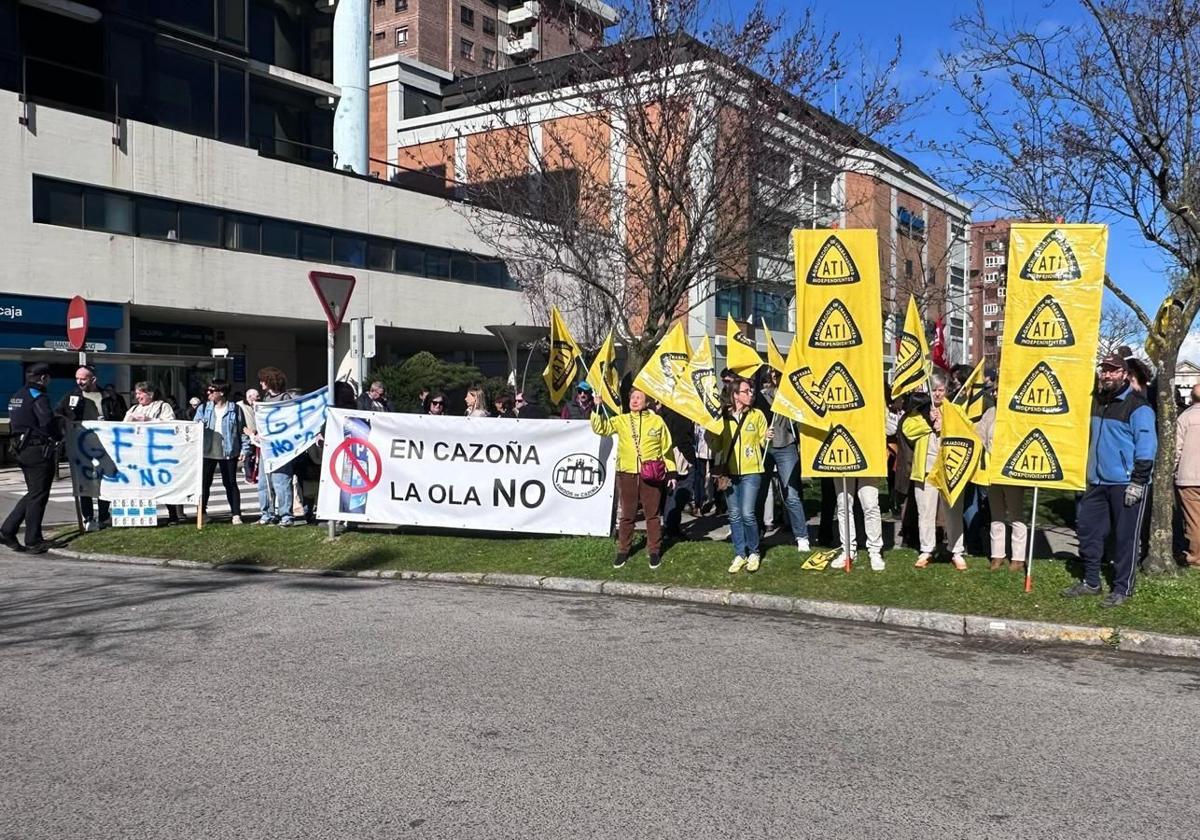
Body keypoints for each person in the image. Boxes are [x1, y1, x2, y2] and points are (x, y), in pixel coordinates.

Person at [1063, 353, 1157, 607]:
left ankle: (1122, 588)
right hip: (1097, 481)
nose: (1106, 374)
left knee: (1125, 538)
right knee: (1088, 531)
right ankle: (1091, 582)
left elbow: (1147, 448)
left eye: (1113, 370)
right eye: (1103, 370)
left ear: (1124, 374)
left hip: (1127, 483)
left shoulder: (1138, 407)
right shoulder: (1096, 402)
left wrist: (1138, 481)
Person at [591, 387, 676, 569]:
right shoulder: (621, 420)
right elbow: (601, 428)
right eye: (632, 397)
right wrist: (597, 408)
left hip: (651, 474)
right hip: (627, 473)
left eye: (639, 397)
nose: (635, 400)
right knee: (627, 515)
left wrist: (671, 472)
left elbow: (666, 447)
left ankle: (654, 550)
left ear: (647, 403)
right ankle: (623, 550)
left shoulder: (657, 421)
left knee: (652, 515)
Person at [903, 373, 966, 570]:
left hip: (950, 469)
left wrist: (945, 424)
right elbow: (907, 429)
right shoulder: (920, 411)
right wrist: (929, 423)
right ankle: (926, 550)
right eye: (934, 390)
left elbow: (967, 430)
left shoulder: (955, 410)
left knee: (953, 512)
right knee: (925, 511)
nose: (938, 394)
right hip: (926, 469)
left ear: (946, 391)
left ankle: (956, 550)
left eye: (941, 390)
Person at [709, 377, 772, 574]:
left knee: (747, 513)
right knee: (734, 515)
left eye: (751, 391)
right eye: (746, 391)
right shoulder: (724, 417)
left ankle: (754, 551)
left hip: (752, 471)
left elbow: (763, 443)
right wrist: (710, 435)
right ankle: (740, 553)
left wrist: (767, 437)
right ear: (735, 395)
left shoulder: (757, 415)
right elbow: (718, 446)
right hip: (730, 472)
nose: (750, 394)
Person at [2, 364, 62, 554]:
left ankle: (7, 531)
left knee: (33, 492)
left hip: (20, 448)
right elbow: (46, 421)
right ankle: (33, 540)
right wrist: (59, 435)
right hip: (37, 449)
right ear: (43, 378)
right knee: (39, 495)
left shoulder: (17, 395)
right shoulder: (38, 396)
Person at [56, 365, 124, 531]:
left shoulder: (109, 396)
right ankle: (88, 517)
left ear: (93, 379)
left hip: (106, 446)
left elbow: (122, 417)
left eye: (83, 378)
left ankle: (103, 515)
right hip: (81, 446)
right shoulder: (72, 396)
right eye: (77, 378)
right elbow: (58, 415)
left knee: (106, 480)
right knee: (84, 482)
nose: (79, 382)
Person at [759, 371, 812, 552]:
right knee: (760, 491)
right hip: (764, 447)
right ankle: (756, 532)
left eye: (779, 375)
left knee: (791, 493)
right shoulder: (763, 396)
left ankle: (802, 536)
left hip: (786, 446)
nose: (776, 378)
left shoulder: (794, 397)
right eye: (774, 375)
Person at [124, 381, 184, 525]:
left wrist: (149, 420)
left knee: (163, 483)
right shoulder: (133, 409)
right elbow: (123, 427)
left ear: (150, 394)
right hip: (138, 453)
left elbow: (171, 424)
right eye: (136, 393)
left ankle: (173, 515)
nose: (137, 396)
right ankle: (143, 516)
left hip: (158, 453)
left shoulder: (163, 406)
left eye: (140, 393)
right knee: (141, 486)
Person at [976, 401, 1026, 571]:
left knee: (1016, 515)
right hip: (993, 471)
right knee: (996, 515)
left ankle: (1018, 557)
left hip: (1012, 471)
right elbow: (979, 433)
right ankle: (997, 555)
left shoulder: (1020, 410)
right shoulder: (991, 412)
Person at [193, 380, 248, 524]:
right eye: (208, 391)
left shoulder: (234, 409)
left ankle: (236, 514)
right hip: (207, 451)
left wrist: (244, 449)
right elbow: (195, 428)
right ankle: (202, 513)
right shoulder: (204, 408)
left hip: (228, 451)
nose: (208, 394)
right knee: (204, 483)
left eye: (211, 391)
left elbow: (242, 430)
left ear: (221, 392)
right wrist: (200, 425)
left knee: (230, 483)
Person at [253, 366, 296, 527]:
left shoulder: (285, 398)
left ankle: (286, 515)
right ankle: (267, 513)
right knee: (264, 482)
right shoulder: (265, 399)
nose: (261, 383)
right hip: (266, 446)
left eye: (263, 380)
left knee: (281, 480)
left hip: (280, 447)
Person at [1176, 383, 1200, 568]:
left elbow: (1176, 448)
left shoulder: (1185, 417)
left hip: (1190, 475)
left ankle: (1195, 556)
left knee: (1194, 520)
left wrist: (1172, 470)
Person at [238, 388, 260, 484]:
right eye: (257, 396)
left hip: (256, 433)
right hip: (245, 433)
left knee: (255, 455)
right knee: (248, 454)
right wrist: (245, 430)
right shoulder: (240, 405)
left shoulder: (257, 405)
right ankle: (249, 476)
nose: (259, 398)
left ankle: (254, 474)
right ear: (250, 397)